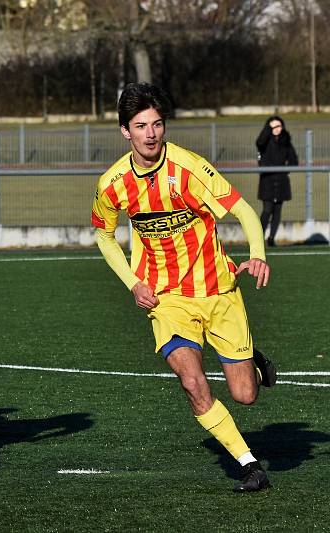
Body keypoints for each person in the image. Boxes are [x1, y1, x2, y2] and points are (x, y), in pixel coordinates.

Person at [91, 83, 277, 492]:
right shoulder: (113, 183)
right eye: (141, 126)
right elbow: (104, 235)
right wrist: (133, 283)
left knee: (244, 395)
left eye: (157, 124)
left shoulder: (189, 168)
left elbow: (243, 209)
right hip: (166, 298)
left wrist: (258, 252)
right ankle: (249, 466)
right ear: (126, 131)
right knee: (192, 382)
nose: (151, 134)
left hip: (218, 290)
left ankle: (252, 359)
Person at [255, 115, 298, 246]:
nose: (277, 128)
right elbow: (259, 142)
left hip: (281, 181)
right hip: (267, 181)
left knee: (277, 211)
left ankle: (272, 238)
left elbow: (294, 161)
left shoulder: (286, 142)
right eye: (273, 126)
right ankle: (258, 239)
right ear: (268, 127)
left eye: (279, 126)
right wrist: (268, 128)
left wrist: (284, 170)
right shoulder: (265, 141)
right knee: (267, 210)